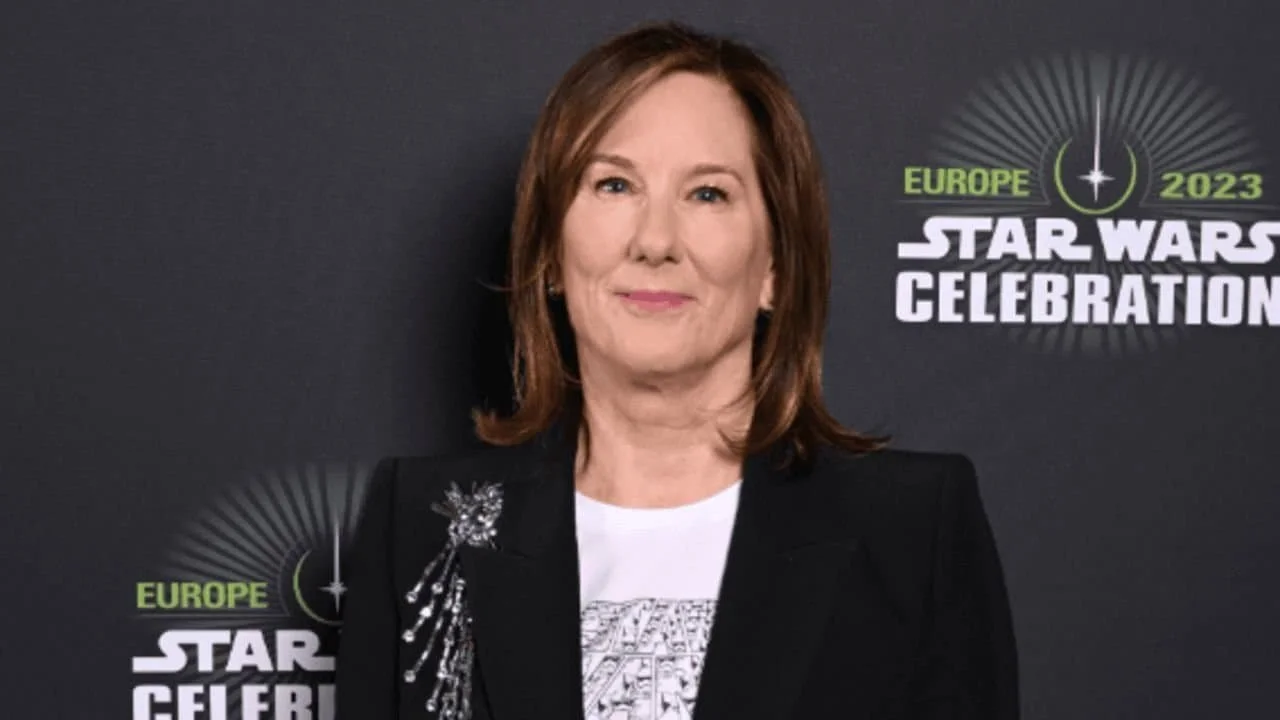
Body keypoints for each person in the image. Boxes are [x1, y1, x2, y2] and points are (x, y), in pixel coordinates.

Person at [336, 20, 1019, 720]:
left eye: (708, 194)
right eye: (613, 185)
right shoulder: (425, 526)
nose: (655, 241)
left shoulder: (912, 531)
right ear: (549, 252)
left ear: (777, 269)